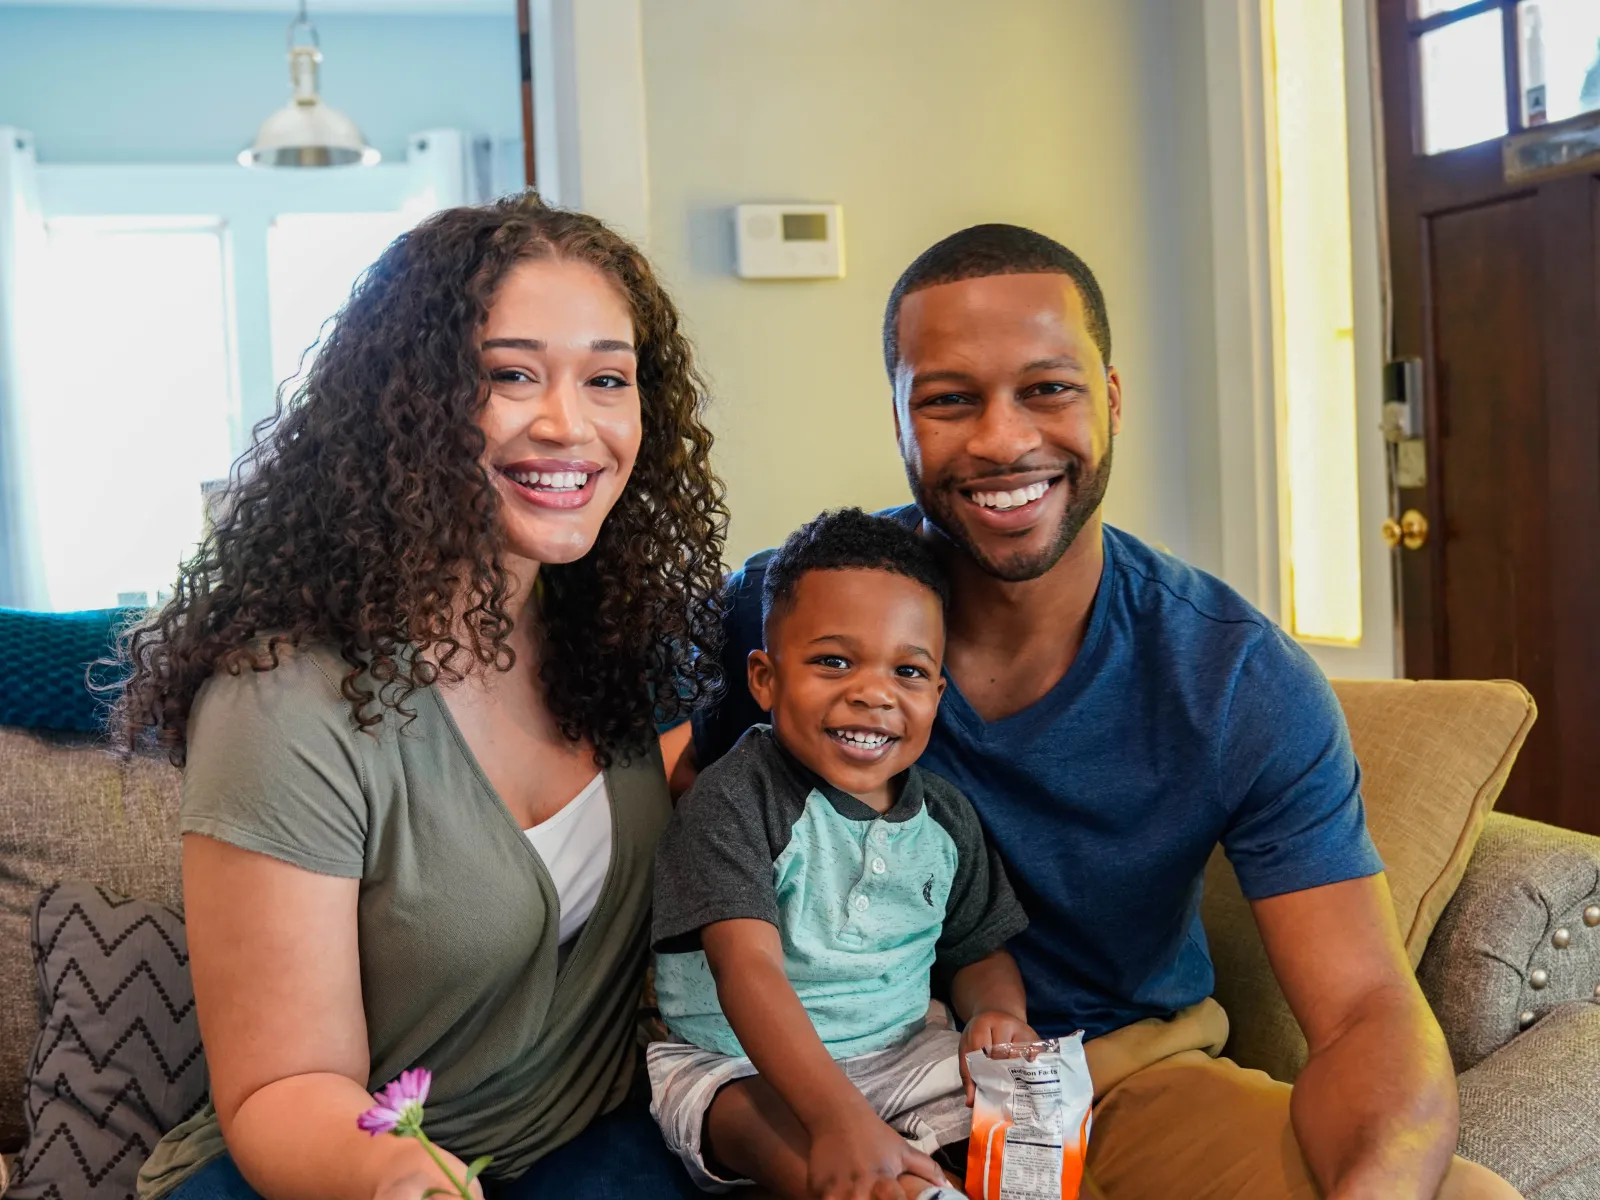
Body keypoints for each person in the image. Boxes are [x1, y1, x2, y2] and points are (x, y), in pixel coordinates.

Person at [682, 225, 1521, 1200]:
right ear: (901, 419)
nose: (1002, 439)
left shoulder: (1232, 679)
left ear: (1111, 400)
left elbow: (1364, 1010)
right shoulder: (786, 611)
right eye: (951, 400)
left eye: (1047, 389)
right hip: (820, 1084)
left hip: (1109, 1090)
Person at [117, 194, 726, 1200]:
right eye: (509, 375)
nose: (568, 424)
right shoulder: (284, 701)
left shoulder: (624, 638)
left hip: (589, 1146)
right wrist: (395, 1176)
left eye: (606, 378)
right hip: (339, 1173)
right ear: (406, 406)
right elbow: (284, 1084)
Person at [648, 509, 1032, 1200]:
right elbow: (747, 972)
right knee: (745, 1117)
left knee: (1022, 1128)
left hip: (901, 1050)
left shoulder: (944, 818)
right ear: (764, 678)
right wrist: (837, 1118)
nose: (873, 692)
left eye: (908, 671)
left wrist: (995, 1015)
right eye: (833, 661)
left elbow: (978, 949)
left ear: (937, 693)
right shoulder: (734, 801)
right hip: (739, 1061)